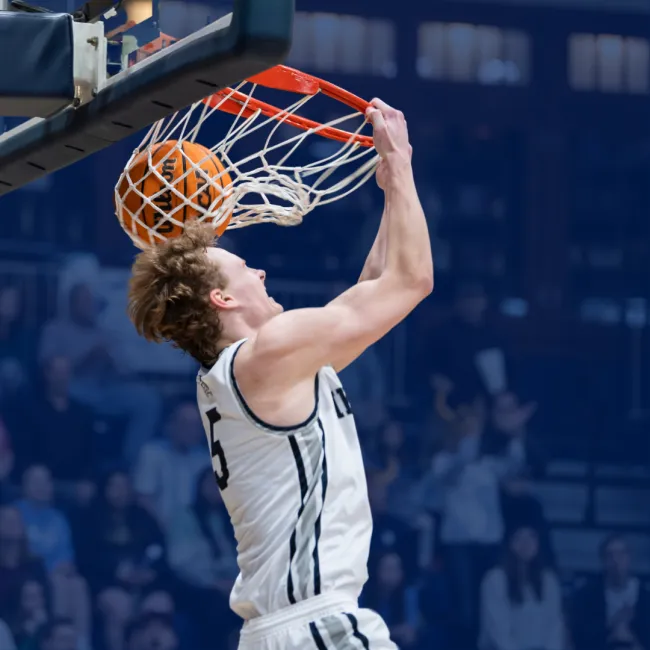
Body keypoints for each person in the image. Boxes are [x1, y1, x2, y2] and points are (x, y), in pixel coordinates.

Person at [126, 99, 433, 649]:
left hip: (287, 627)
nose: (261, 270)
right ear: (221, 297)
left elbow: (369, 291)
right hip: (314, 623)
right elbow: (411, 282)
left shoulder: (252, 370)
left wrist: (391, 193)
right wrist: (403, 163)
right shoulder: (269, 354)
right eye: (246, 269)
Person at [479, 526, 564, 650]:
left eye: (532, 537)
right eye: (519, 538)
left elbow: (555, 625)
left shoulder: (549, 579)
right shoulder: (495, 579)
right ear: (510, 543)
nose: (526, 543)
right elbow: (497, 630)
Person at [571, 534, 650, 650]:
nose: (616, 561)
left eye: (621, 554)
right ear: (603, 560)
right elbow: (580, 635)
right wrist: (612, 622)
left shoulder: (645, 597)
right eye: (610, 555)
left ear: (629, 557)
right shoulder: (587, 596)